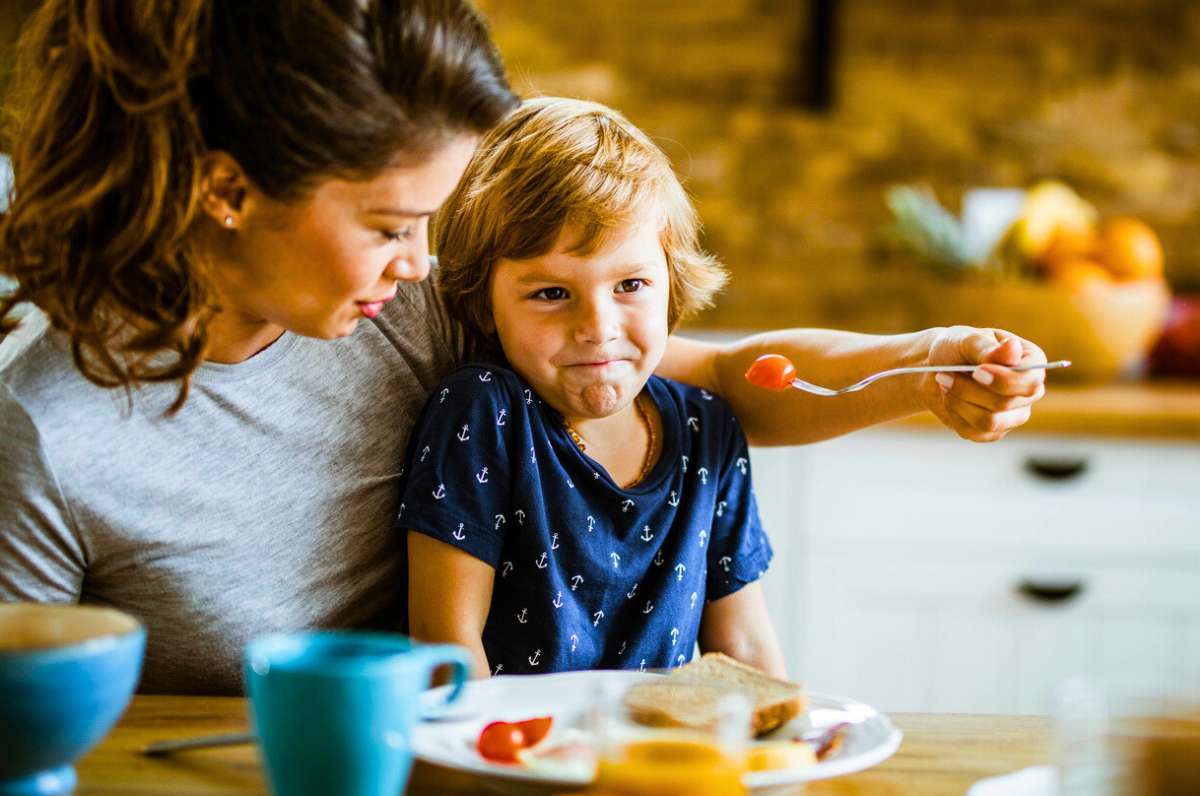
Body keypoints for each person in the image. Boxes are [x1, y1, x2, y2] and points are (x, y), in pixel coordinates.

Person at [0, 0, 1049, 696]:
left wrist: (928, 364)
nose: (422, 262)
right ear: (227, 190)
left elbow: (731, 380)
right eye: (389, 224)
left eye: (430, 222)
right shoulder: (49, 435)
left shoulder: (400, 309)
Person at [402, 97, 785, 679]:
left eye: (630, 284)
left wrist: (787, 731)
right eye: (552, 293)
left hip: (656, 740)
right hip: (512, 738)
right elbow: (445, 646)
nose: (597, 327)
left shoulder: (710, 429)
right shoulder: (482, 412)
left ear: (671, 283)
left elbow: (747, 649)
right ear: (483, 306)